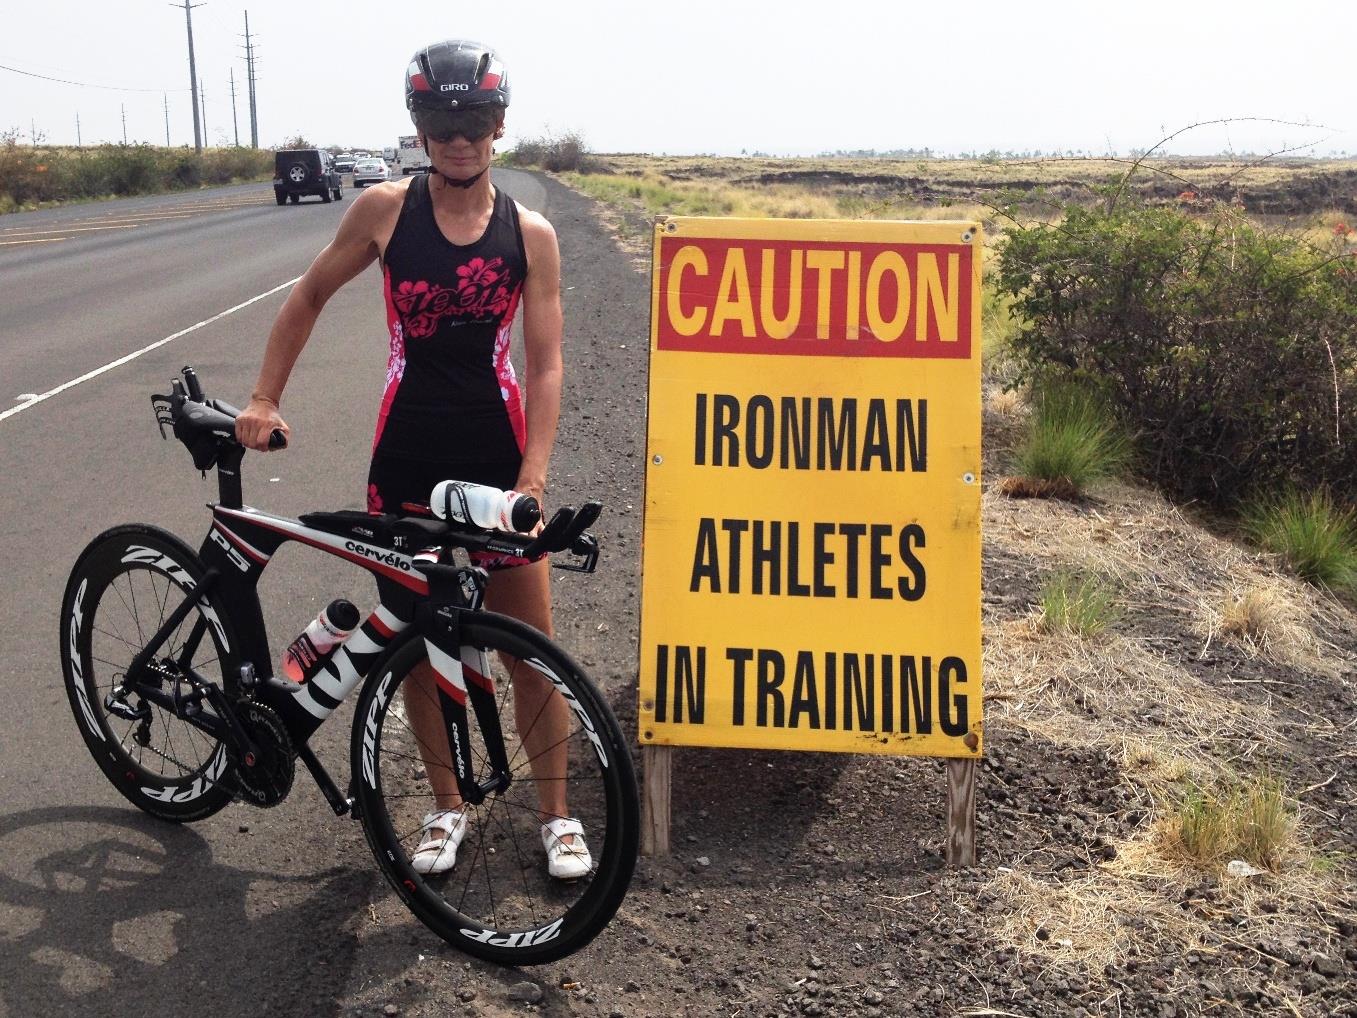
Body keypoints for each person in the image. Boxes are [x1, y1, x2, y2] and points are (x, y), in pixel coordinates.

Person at [235, 39, 590, 880]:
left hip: (496, 455)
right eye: (439, 118)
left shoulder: (530, 233)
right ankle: (445, 806)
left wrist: (532, 477)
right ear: (419, 126)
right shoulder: (383, 212)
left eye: (474, 118)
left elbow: (544, 365)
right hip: (407, 459)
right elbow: (308, 295)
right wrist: (263, 397)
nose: (458, 136)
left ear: (499, 125)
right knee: (421, 646)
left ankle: (558, 816)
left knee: (528, 650)